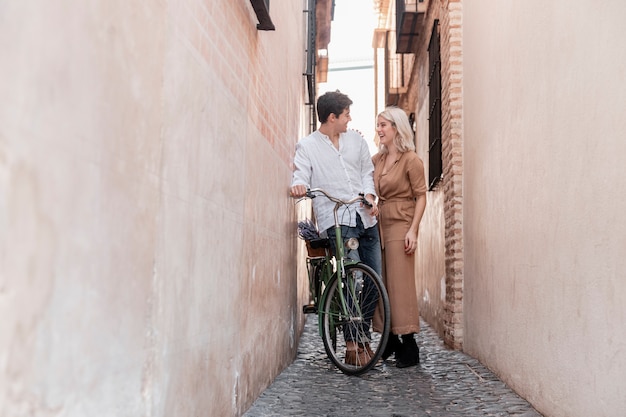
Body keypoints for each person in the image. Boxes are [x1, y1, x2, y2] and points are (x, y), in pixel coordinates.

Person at [290, 90, 381, 366]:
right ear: (332, 117)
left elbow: (367, 172)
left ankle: (361, 336)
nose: (349, 119)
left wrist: (370, 195)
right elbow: (300, 172)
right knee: (353, 280)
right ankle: (353, 344)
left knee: (374, 281)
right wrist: (299, 185)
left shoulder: (356, 140)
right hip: (337, 220)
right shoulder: (307, 146)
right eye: (346, 115)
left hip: (365, 217)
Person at [372, 106, 427, 368]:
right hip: (379, 225)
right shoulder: (379, 159)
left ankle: (409, 345)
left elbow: (421, 196)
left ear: (396, 128)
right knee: (382, 281)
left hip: (401, 223)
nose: (379, 129)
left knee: (400, 284)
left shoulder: (411, 159)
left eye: (383, 125)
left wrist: (413, 230)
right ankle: (389, 340)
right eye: (378, 125)